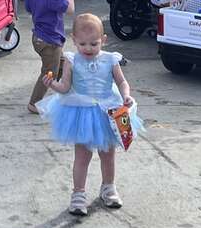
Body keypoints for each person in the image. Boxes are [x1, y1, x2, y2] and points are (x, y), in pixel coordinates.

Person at [38, 13, 141, 216]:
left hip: (108, 110)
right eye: (82, 44)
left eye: (94, 44)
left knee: (108, 154)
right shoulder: (71, 60)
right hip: (82, 112)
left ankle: (108, 187)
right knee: (82, 156)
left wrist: (126, 95)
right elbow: (66, 87)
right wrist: (53, 86)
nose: (88, 48)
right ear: (74, 40)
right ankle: (78, 194)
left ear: (103, 40)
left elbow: (121, 82)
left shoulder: (111, 59)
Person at [25, 0, 74, 115]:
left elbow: (29, 9)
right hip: (50, 41)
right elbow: (70, 9)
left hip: (38, 38)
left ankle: (62, 91)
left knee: (62, 65)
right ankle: (34, 103)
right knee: (49, 73)